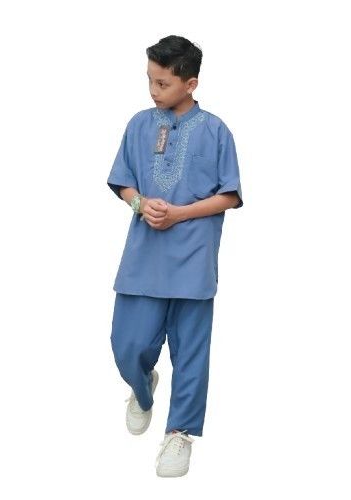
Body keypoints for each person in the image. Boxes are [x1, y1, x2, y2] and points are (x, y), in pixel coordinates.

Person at [107, 35, 244, 478]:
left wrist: (180, 213)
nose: (153, 90)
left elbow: (230, 194)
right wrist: (140, 204)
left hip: (193, 259)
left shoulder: (216, 131)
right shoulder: (139, 125)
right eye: (150, 80)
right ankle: (142, 384)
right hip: (144, 255)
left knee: (191, 355)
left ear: (190, 83)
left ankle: (180, 432)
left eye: (163, 83)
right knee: (127, 343)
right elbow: (123, 181)